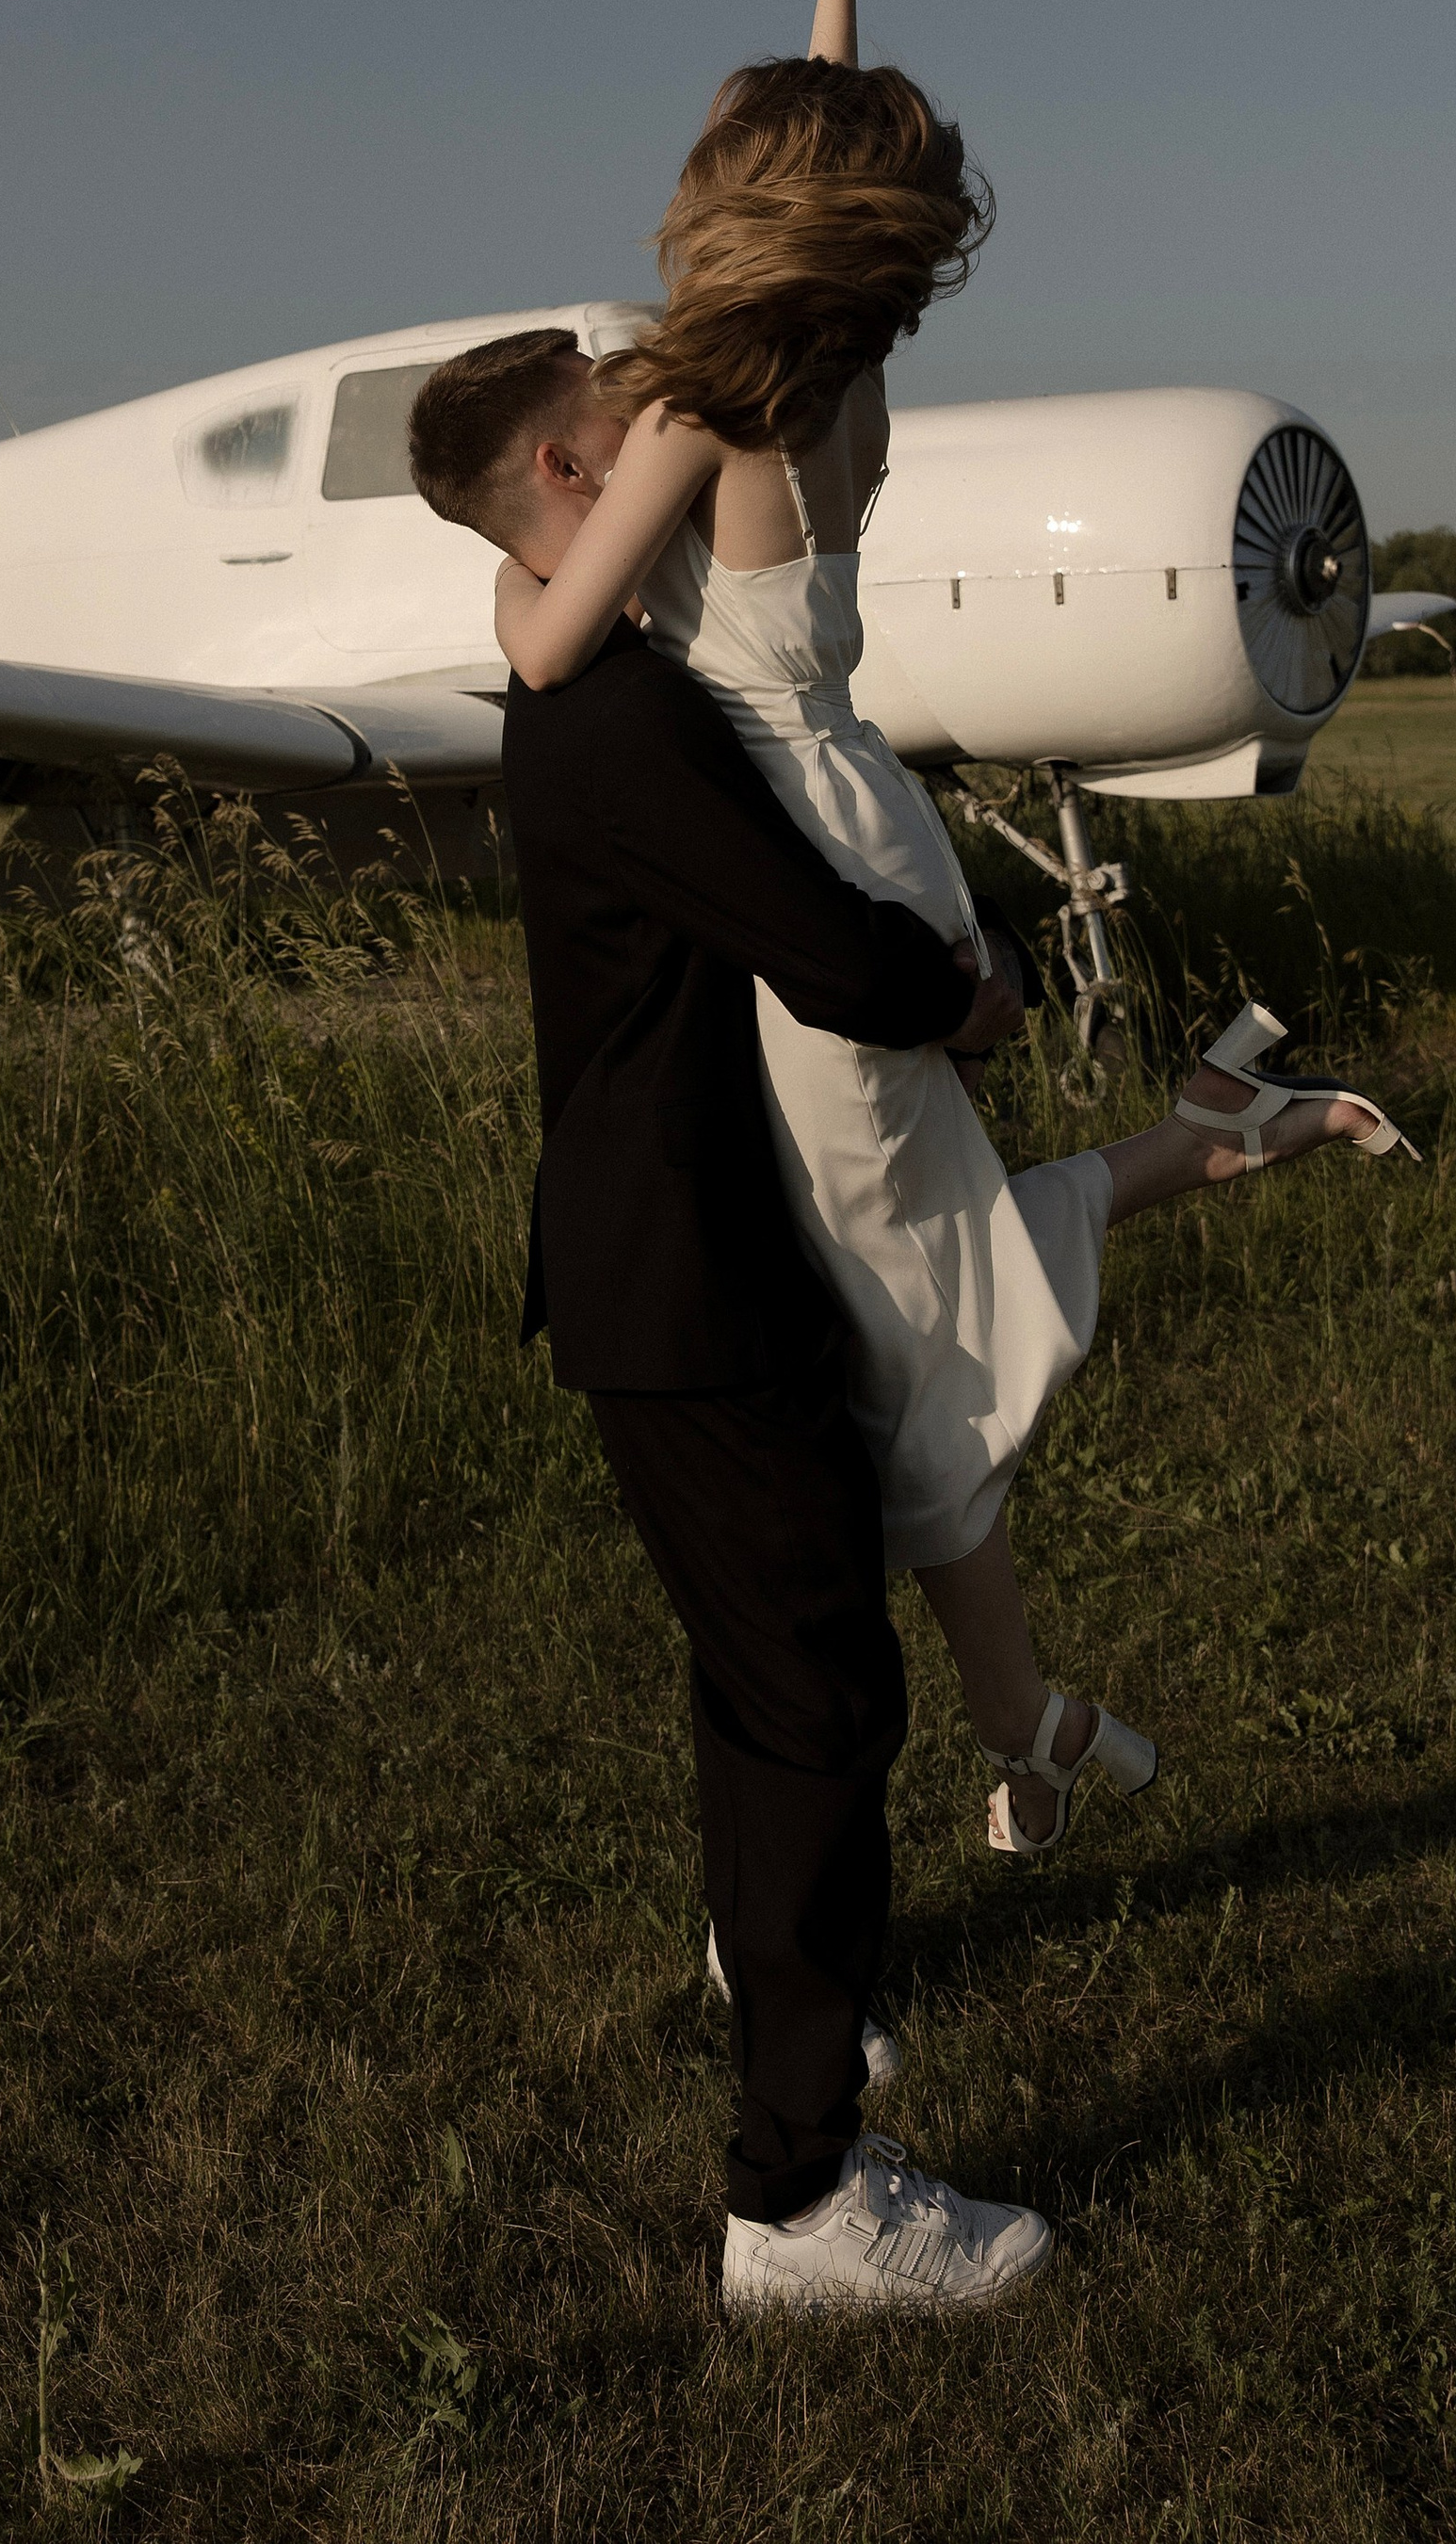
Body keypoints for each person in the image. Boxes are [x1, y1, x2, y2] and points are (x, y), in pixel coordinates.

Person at [429, 0, 1417, 1870]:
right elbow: (794, 187)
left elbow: (541, 639)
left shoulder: (697, 408)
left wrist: (532, 586)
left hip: (803, 853)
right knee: (907, 1274)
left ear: (729, 216)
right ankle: (1036, 1678)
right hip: (859, 810)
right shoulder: (827, 366)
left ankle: (1020, 1693)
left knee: (901, 1300)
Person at [409, 321, 1056, 2312]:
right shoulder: (611, 726)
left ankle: (778, 1978)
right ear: (558, 483)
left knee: (761, 1680)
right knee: (816, 1700)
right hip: (685, 1275)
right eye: (619, 422)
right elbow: (814, 947)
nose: (656, 431)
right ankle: (797, 2202)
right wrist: (977, 988)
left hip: (663, 1267)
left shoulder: (586, 666)